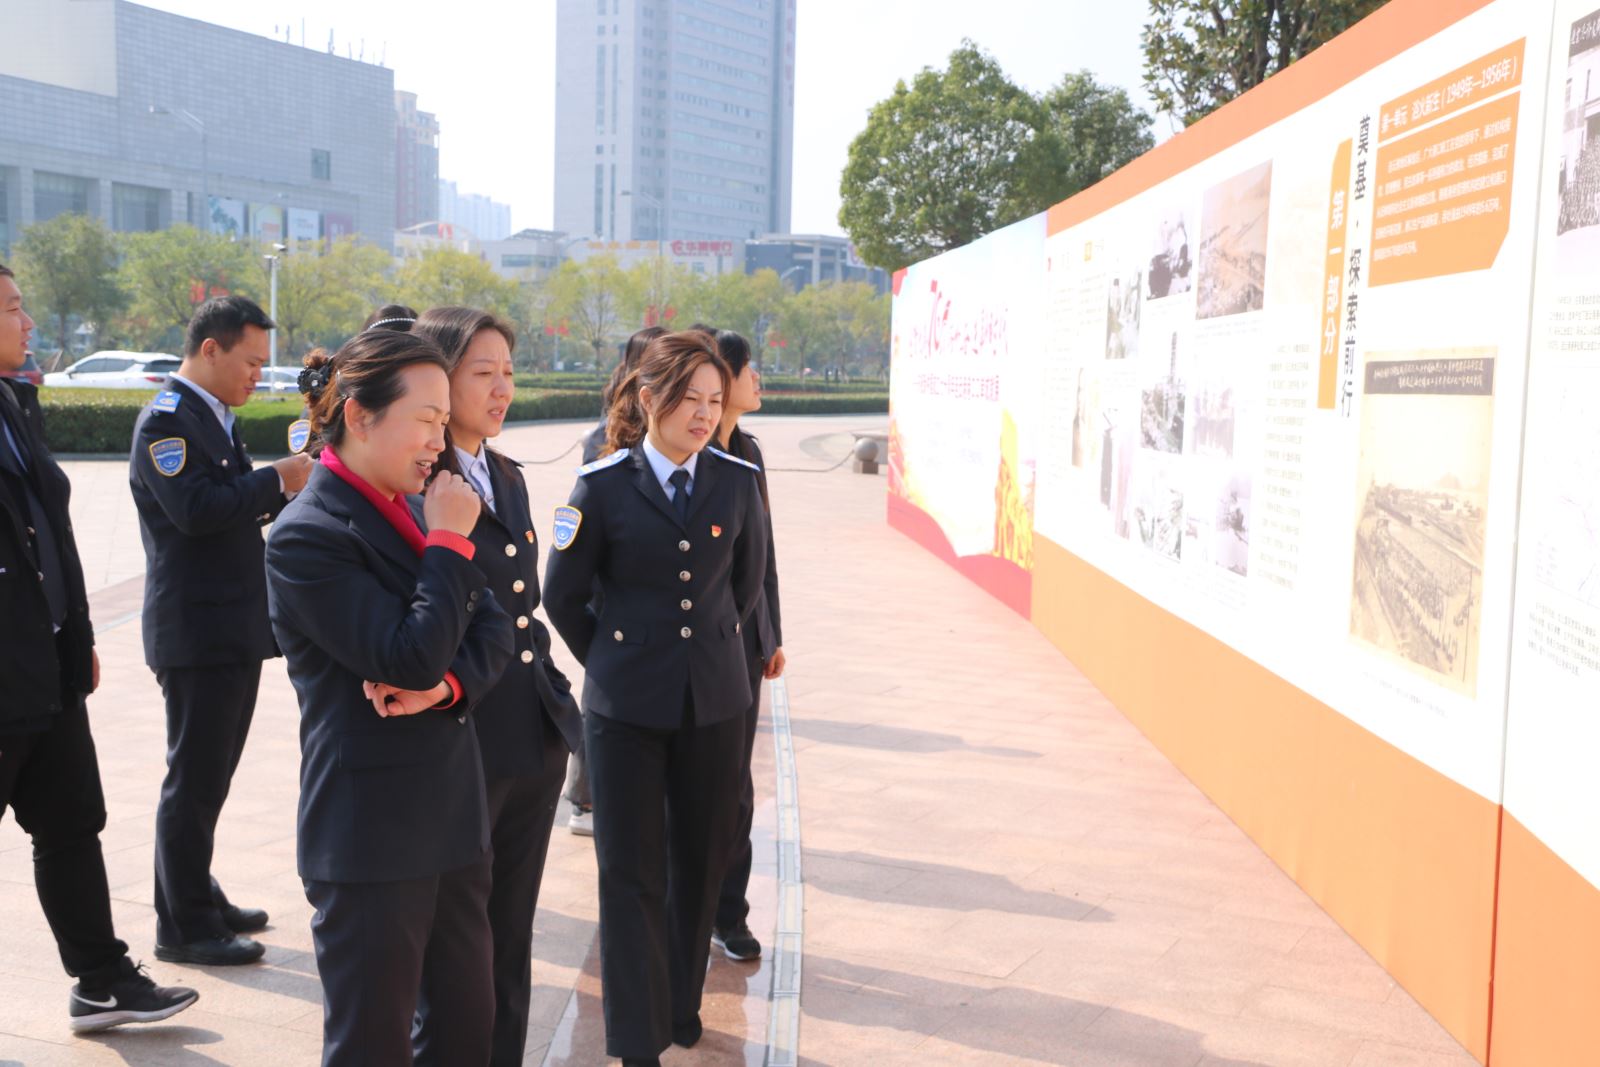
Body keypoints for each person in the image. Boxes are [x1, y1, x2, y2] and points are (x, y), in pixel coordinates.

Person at [264, 330, 514, 1065]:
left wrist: (446, 685)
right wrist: (448, 546)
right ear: (360, 415)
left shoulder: (417, 505)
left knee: (465, 1031)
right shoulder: (308, 534)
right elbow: (407, 653)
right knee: (372, 1044)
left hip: (452, 818)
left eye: (445, 421)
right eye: (427, 419)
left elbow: (493, 627)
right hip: (370, 836)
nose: (440, 440)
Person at [543, 330, 768, 1067]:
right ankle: (637, 1035)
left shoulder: (737, 481)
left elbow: (745, 587)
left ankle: (680, 1005)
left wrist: (703, 656)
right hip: (626, 712)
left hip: (715, 703)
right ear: (647, 399)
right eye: (689, 399)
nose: (705, 414)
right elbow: (562, 595)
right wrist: (619, 660)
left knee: (699, 864)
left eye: (714, 400)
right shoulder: (602, 484)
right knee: (631, 872)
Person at [0, 262, 198, 1032]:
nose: (28, 322)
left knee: (71, 821)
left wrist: (75, 634)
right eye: (14, 308)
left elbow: (51, 532)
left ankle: (102, 981)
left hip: (43, 663)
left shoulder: (16, 403)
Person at [409, 306, 583, 1065]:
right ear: (437, 379)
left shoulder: (505, 474)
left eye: (508, 371)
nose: (502, 387)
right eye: (483, 372)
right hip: (461, 735)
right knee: (455, 947)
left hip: (528, 735)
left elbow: (523, 605)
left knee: (512, 934)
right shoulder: (421, 480)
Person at [128, 295, 314, 966]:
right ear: (211, 349)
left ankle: (197, 892)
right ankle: (183, 925)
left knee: (210, 776)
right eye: (250, 363)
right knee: (195, 779)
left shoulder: (212, 415)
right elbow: (197, 511)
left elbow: (229, 513)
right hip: (195, 631)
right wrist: (277, 480)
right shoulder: (168, 421)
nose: (258, 377)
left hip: (227, 626)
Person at [564, 323, 665, 836]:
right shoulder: (605, 437)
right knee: (600, 695)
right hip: (610, 594)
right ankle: (585, 798)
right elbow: (562, 588)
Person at [707, 329, 785, 964]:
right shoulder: (687, 454)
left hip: (746, 645)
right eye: (746, 366)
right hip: (698, 644)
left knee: (735, 783)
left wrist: (771, 632)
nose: (756, 376)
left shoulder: (749, 452)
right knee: (697, 783)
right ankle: (692, 905)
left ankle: (728, 913)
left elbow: (765, 553)